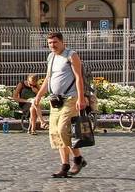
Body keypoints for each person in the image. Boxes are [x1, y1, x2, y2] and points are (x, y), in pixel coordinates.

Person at [31, 32, 87, 178]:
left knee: (63, 129)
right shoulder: (51, 57)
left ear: (62, 42)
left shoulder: (71, 55)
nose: (52, 45)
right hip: (55, 100)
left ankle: (78, 158)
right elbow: (48, 78)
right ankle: (65, 165)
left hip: (70, 98)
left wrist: (81, 98)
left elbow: (78, 77)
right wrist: (38, 95)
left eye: (55, 42)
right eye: (50, 43)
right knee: (55, 133)